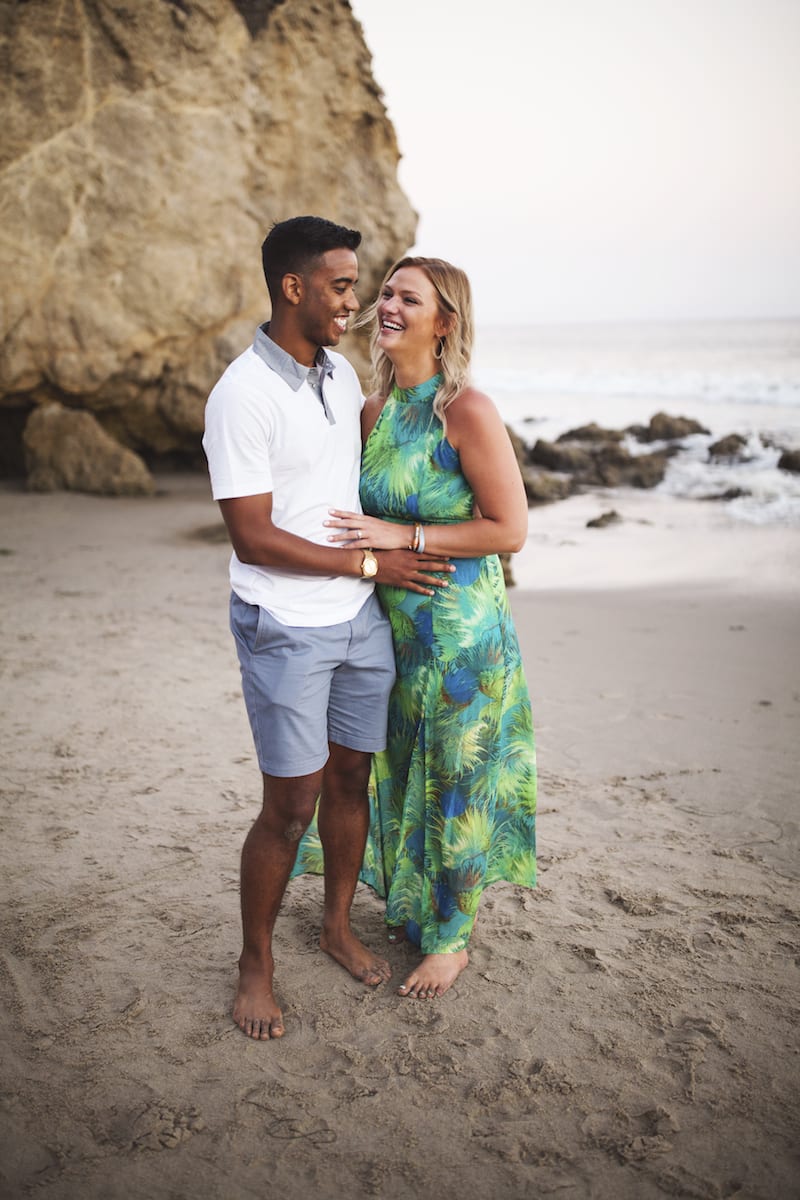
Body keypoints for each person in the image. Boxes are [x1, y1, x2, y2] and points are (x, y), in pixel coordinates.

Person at [202, 219, 453, 1040]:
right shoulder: (241, 394)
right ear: (293, 288)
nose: (356, 301)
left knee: (352, 779)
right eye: (343, 286)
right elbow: (254, 536)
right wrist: (368, 569)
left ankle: (336, 925)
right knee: (290, 805)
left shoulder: (342, 378)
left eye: (360, 285)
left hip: (357, 622)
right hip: (285, 623)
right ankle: (255, 965)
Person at [324, 256, 537, 1000]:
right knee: (406, 764)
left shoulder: (466, 411)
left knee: (458, 776)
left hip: (461, 631)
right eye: (385, 292)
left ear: (444, 322)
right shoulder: (371, 414)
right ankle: (417, 906)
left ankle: (452, 939)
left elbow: (509, 529)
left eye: (408, 298)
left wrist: (403, 536)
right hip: (392, 628)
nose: (387, 305)